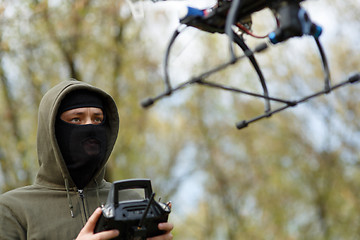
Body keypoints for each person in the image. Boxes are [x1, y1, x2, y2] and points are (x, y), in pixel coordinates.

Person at [0, 79, 174, 240]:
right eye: (76, 119)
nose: (90, 127)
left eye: (97, 119)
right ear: (53, 131)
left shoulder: (130, 201)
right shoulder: (13, 209)